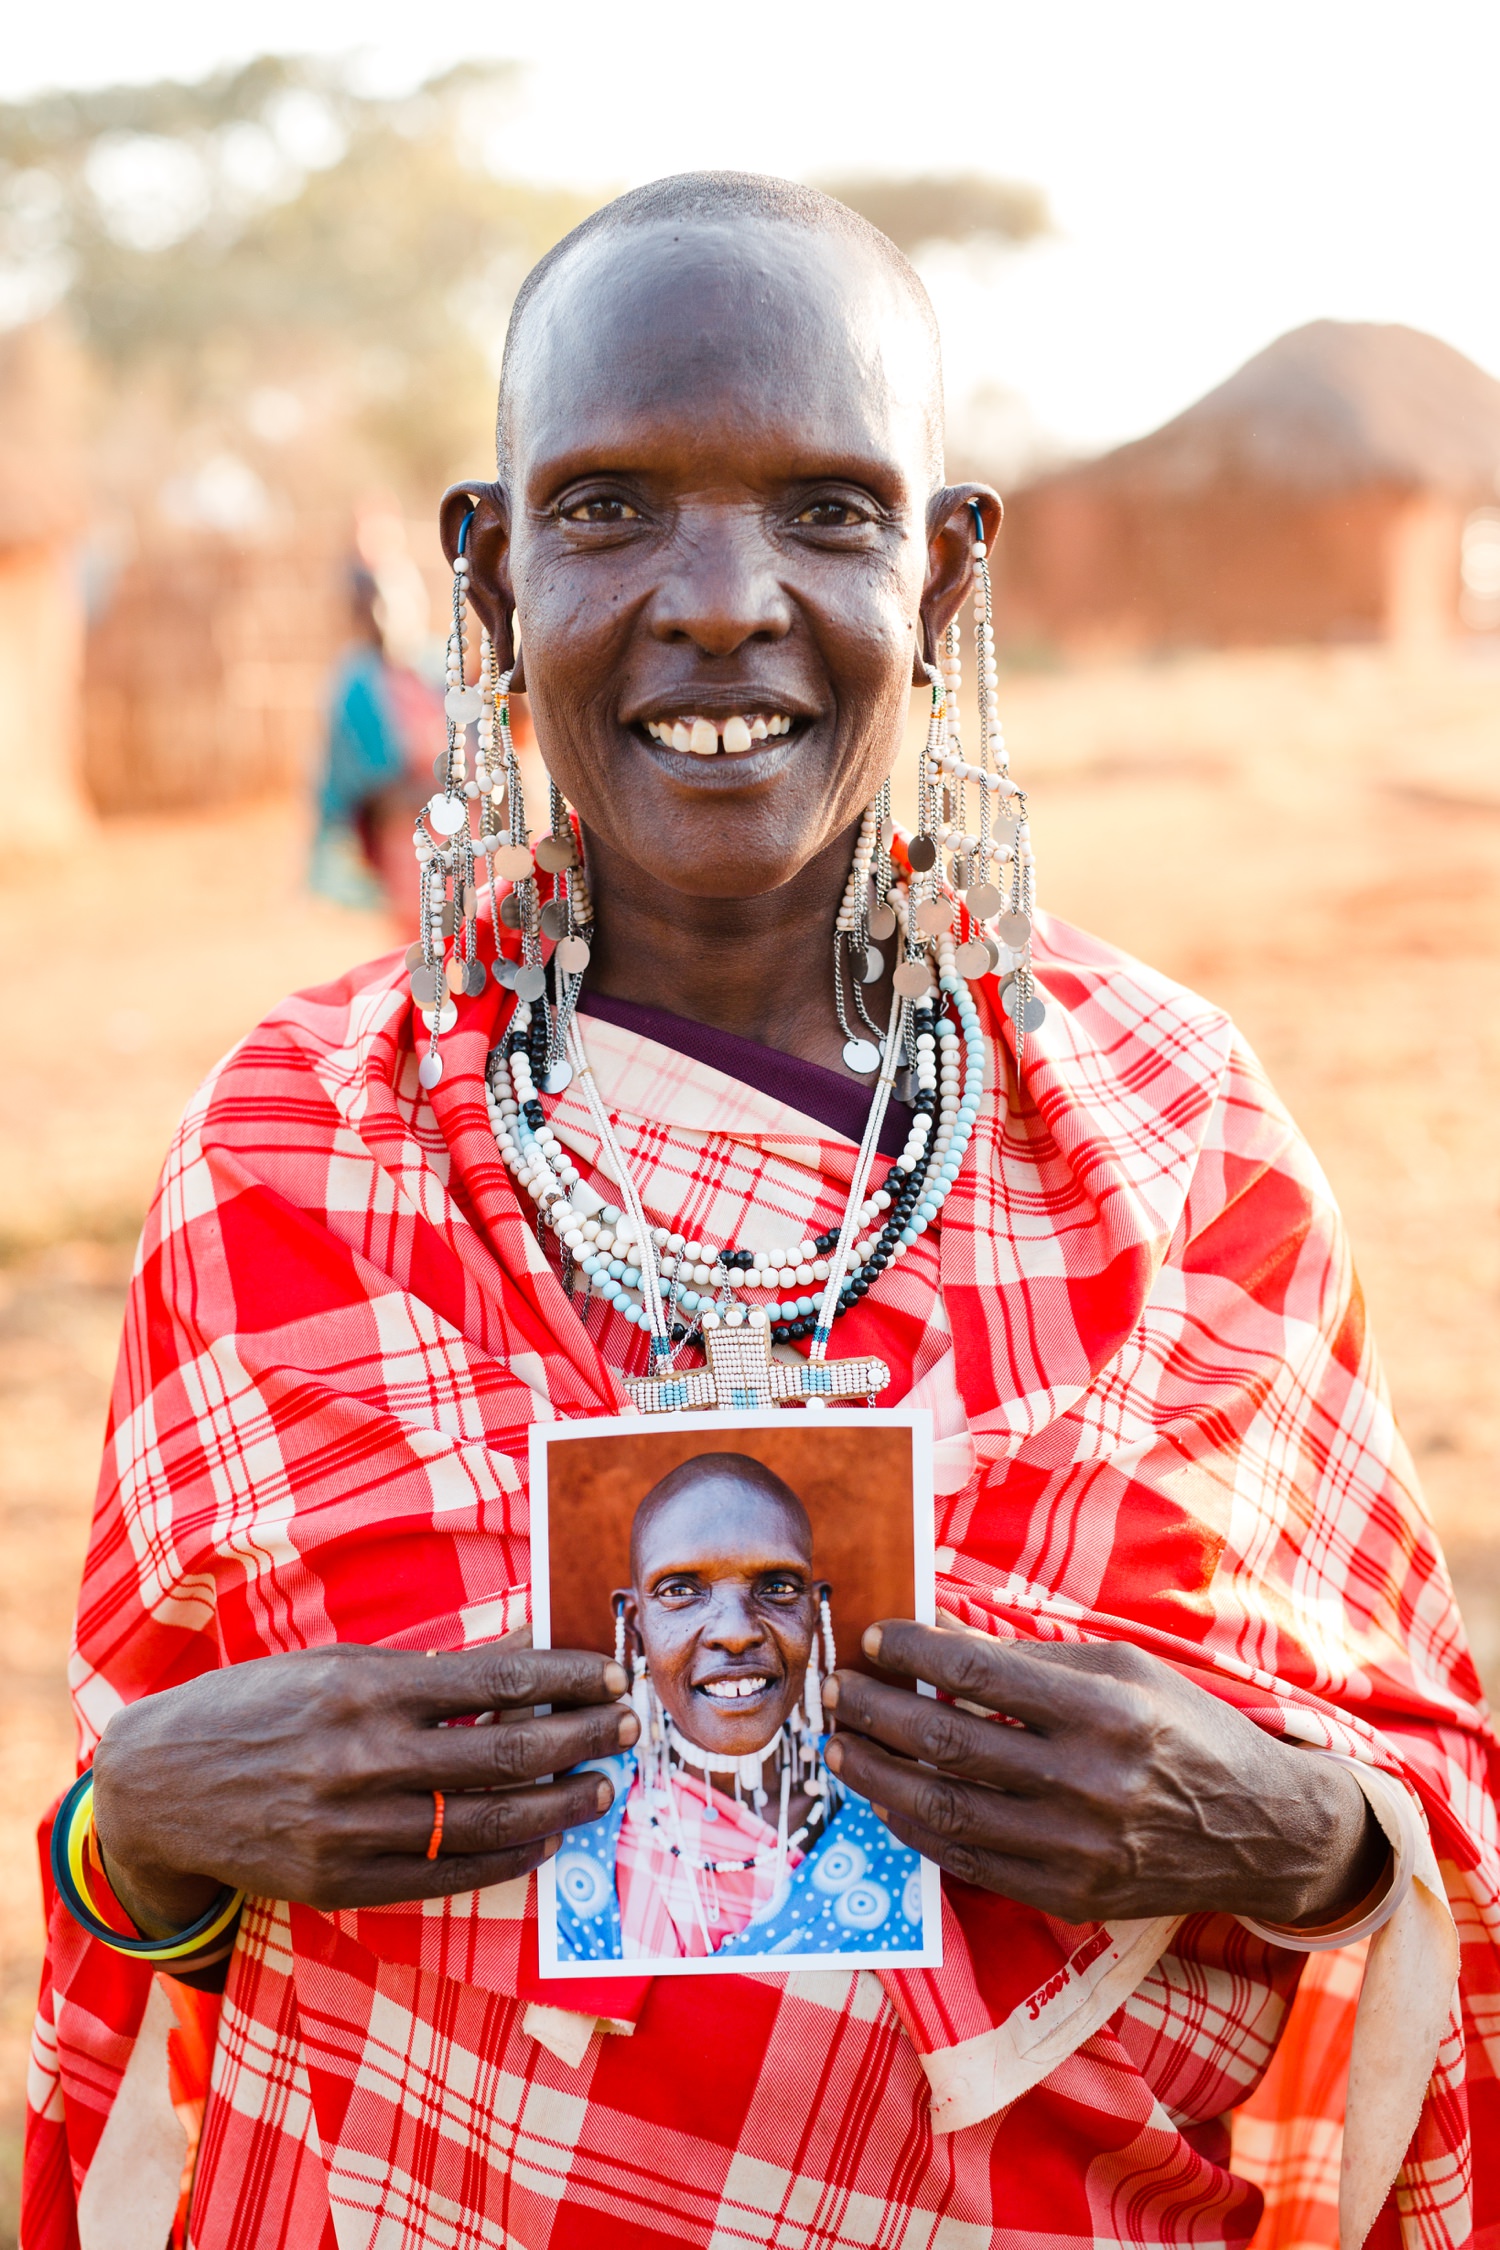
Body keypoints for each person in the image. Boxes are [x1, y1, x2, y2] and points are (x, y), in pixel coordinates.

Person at [23, 172, 1499, 2250]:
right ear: (487, 572)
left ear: (951, 574)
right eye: (611, 507)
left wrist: (1305, 1836)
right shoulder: (294, 1144)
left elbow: (1428, 1825)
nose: (722, 600)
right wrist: (140, 1838)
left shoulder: (1179, 1143)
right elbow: (135, 1888)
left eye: (827, 509)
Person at [553, 1454, 923, 1964]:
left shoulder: (895, 1810)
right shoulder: (570, 1809)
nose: (735, 1631)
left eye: (776, 1587)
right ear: (635, 1622)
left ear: (815, 1613)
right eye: (680, 1590)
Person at [309, 563, 445, 920]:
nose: (391, 615)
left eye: (402, 601)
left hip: (475, 843)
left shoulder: (442, 667)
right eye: (380, 606)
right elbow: (362, 781)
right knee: (426, 954)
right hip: (410, 846)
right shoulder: (359, 684)